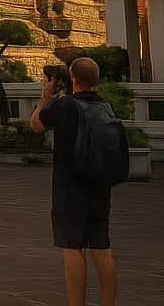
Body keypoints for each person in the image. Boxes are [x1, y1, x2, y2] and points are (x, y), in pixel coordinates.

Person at [30, 57, 120, 306]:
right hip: (100, 184)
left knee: (72, 247)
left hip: (70, 186)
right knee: (101, 246)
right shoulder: (106, 106)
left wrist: (45, 96)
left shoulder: (65, 105)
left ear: (74, 79)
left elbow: (36, 125)